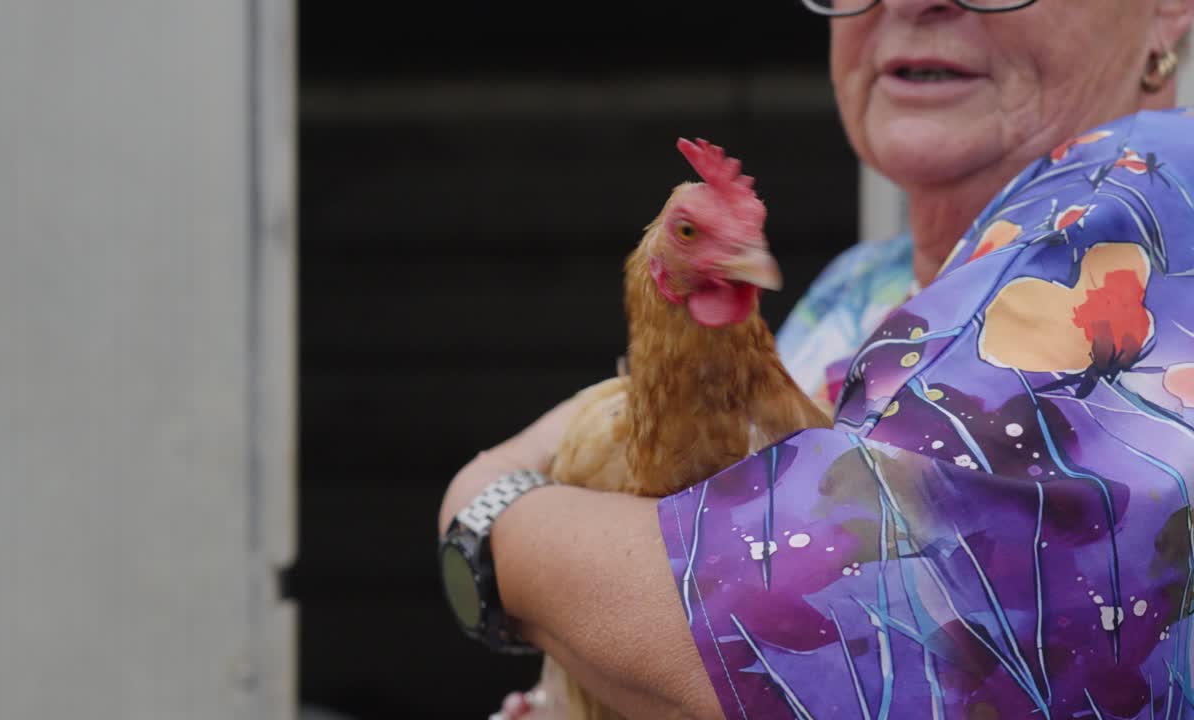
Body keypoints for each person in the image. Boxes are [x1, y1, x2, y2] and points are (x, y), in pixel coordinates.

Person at [438, 1, 1194, 717]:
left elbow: (777, 636)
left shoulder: (1153, 218)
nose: (909, 3)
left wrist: (484, 514)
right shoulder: (857, 292)